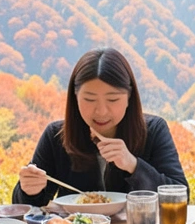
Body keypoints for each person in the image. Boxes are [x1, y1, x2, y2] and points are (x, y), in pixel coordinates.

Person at [14, 49, 186, 205]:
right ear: (75, 97)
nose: (101, 111)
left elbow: (181, 197)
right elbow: (24, 206)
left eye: (113, 99)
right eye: (89, 99)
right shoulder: (56, 135)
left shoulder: (154, 130)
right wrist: (29, 190)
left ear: (129, 97)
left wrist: (132, 164)